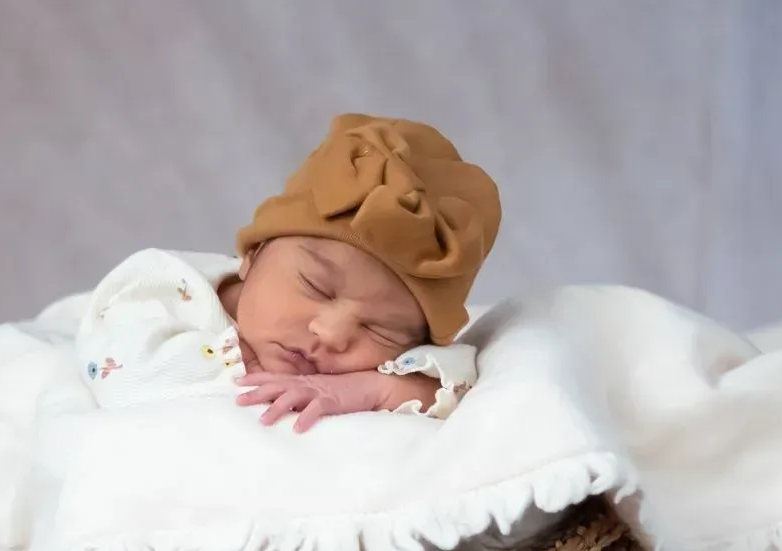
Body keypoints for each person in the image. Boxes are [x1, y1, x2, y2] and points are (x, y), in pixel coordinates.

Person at [73, 113, 502, 432]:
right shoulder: (160, 289)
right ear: (254, 255)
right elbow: (122, 384)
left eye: (382, 331)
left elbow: (454, 388)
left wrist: (367, 389)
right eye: (316, 286)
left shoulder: (398, 362)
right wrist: (242, 363)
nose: (332, 333)